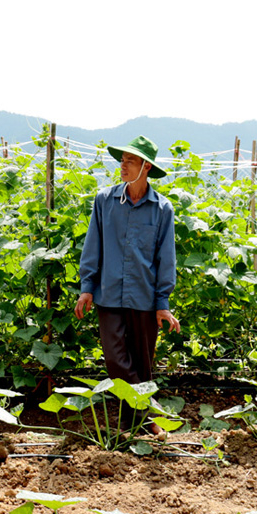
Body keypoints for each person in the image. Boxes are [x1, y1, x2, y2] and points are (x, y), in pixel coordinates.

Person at [74, 136, 180, 435]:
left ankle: (131, 429)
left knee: (142, 364)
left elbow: (165, 258)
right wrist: (87, 286)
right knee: (116, 360)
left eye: (130, 161)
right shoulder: (105, 201)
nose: (122, 165)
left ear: (146, 167)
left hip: (145, 298)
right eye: (122, 160)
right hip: (108, 295)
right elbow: (93, 246)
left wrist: (163, 303)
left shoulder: (162, 209)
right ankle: (148, 417)